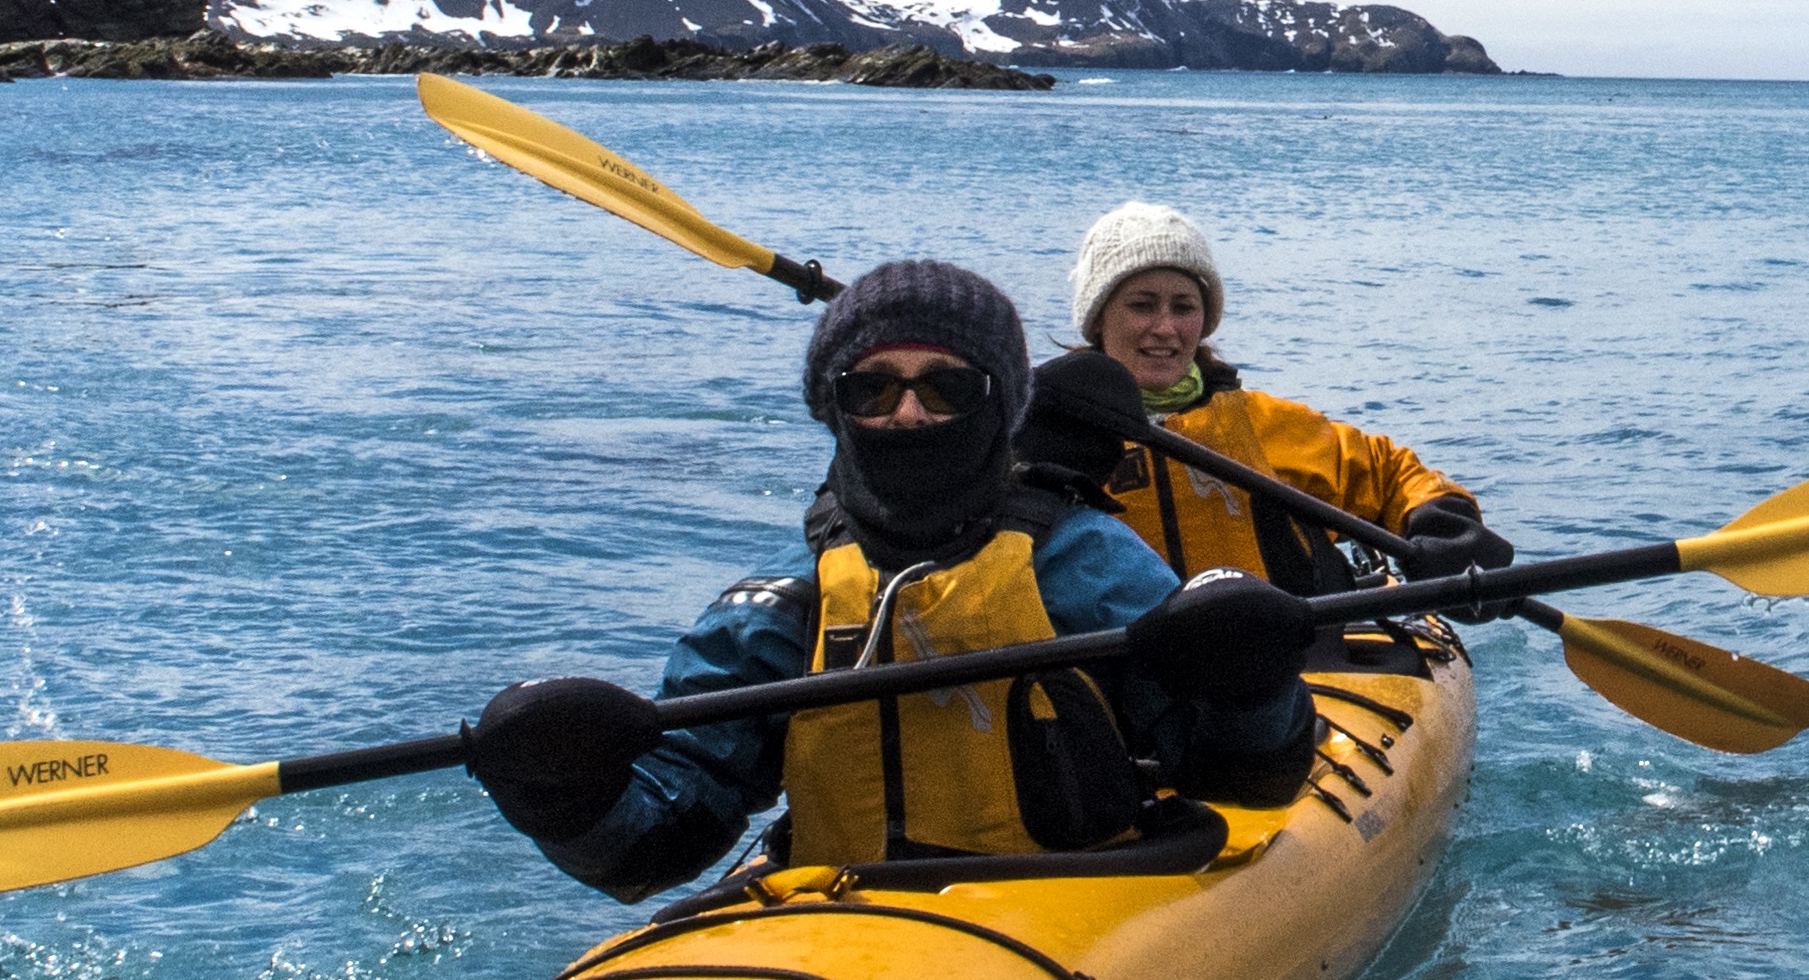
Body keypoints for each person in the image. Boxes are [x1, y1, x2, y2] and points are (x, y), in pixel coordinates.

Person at [464, 259, 1320, 903]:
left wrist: (1252, 688)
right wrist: (564, 797)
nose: (907, 414)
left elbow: (1243, 779)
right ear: (832, 408)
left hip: (1068, 904)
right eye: (871, 389)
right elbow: (655, 847)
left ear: (1000, 405)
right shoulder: (786, 605)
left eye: (946, 388)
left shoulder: (1085, 563)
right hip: (839, 917)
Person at [1055, 202, 1516, 597]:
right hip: (1111, 672)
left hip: (1278, 676)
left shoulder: (1260, 424)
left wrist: (1443, 520)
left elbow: (1388, 471)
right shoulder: (1048, 433)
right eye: (1141, 305)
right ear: (1098, 320)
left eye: (1184, 307)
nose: (1165, 328)